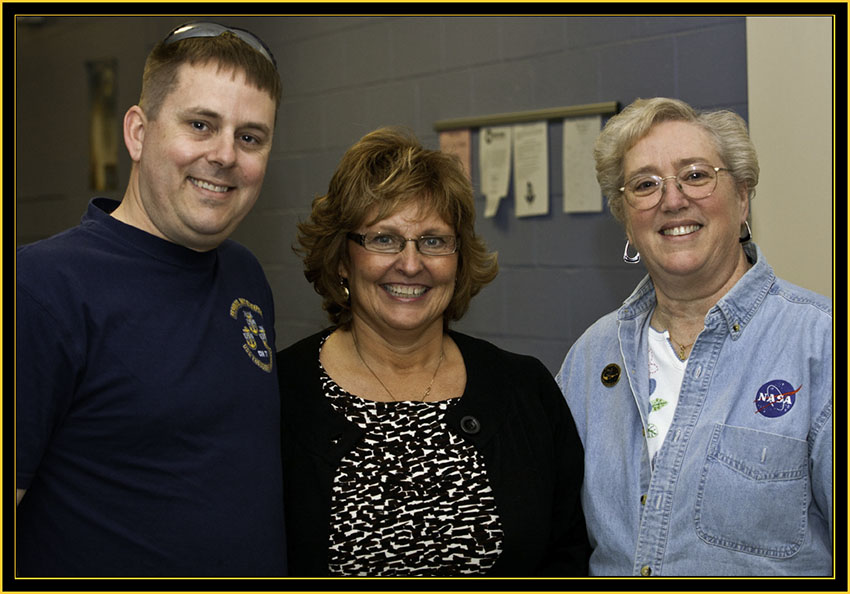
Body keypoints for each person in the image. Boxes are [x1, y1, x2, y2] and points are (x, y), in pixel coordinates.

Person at [16, 22, 287, 576]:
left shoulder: (245, 276)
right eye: (200, 124)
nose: (225, 155)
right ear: (138, 132)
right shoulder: (38, 289)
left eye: (250, 137)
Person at [277, 126, 590, 577]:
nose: (411, 262)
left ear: (459, 259)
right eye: (383, 238)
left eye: (434, 240)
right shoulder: (278, 397)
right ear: (342, 258)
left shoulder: (526, 391)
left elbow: (567, 556)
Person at [556, 97, 832, 576]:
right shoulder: (591, 358)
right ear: (626, 217)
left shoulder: (821, 345)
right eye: (645, 184)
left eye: (697, 175)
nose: (672, 198)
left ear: (742, 197)